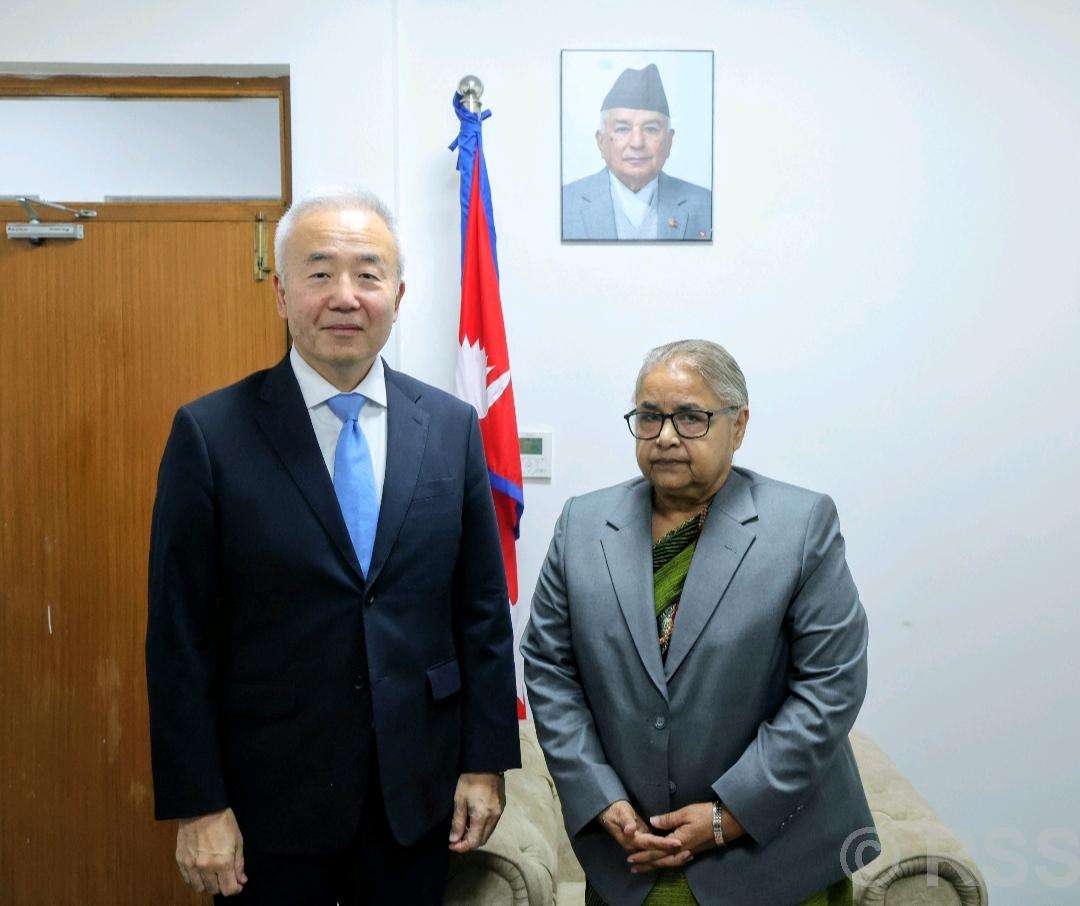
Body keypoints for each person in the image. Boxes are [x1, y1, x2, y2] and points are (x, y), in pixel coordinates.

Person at [146, 189, 520, 905]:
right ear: (282, 293)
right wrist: (198, 803)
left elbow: (480, 612)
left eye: (368, 274)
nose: (345, 296)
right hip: (267, 807)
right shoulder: (211, 433)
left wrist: (486, 763)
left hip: (417, 800)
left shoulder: (450, 427)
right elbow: (179, 635)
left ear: (398, 296)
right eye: (319, 273)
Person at [521, 340, 879, 905]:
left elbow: (831, 685)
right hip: (629, 853)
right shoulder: (582, 525)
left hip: (772, 853)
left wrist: (728, 814)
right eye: (649, 416)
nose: (665, 436)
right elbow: (549, 668)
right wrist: (598, 795)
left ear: (738, 426)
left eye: (691, 417)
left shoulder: (801, 525)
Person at [562, 64, 712, 241]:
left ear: (669, 141)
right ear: (601, 141)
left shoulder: (707, 205)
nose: (637, 143)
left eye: (651, 129)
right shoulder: (564, 203)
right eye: (622, 129)